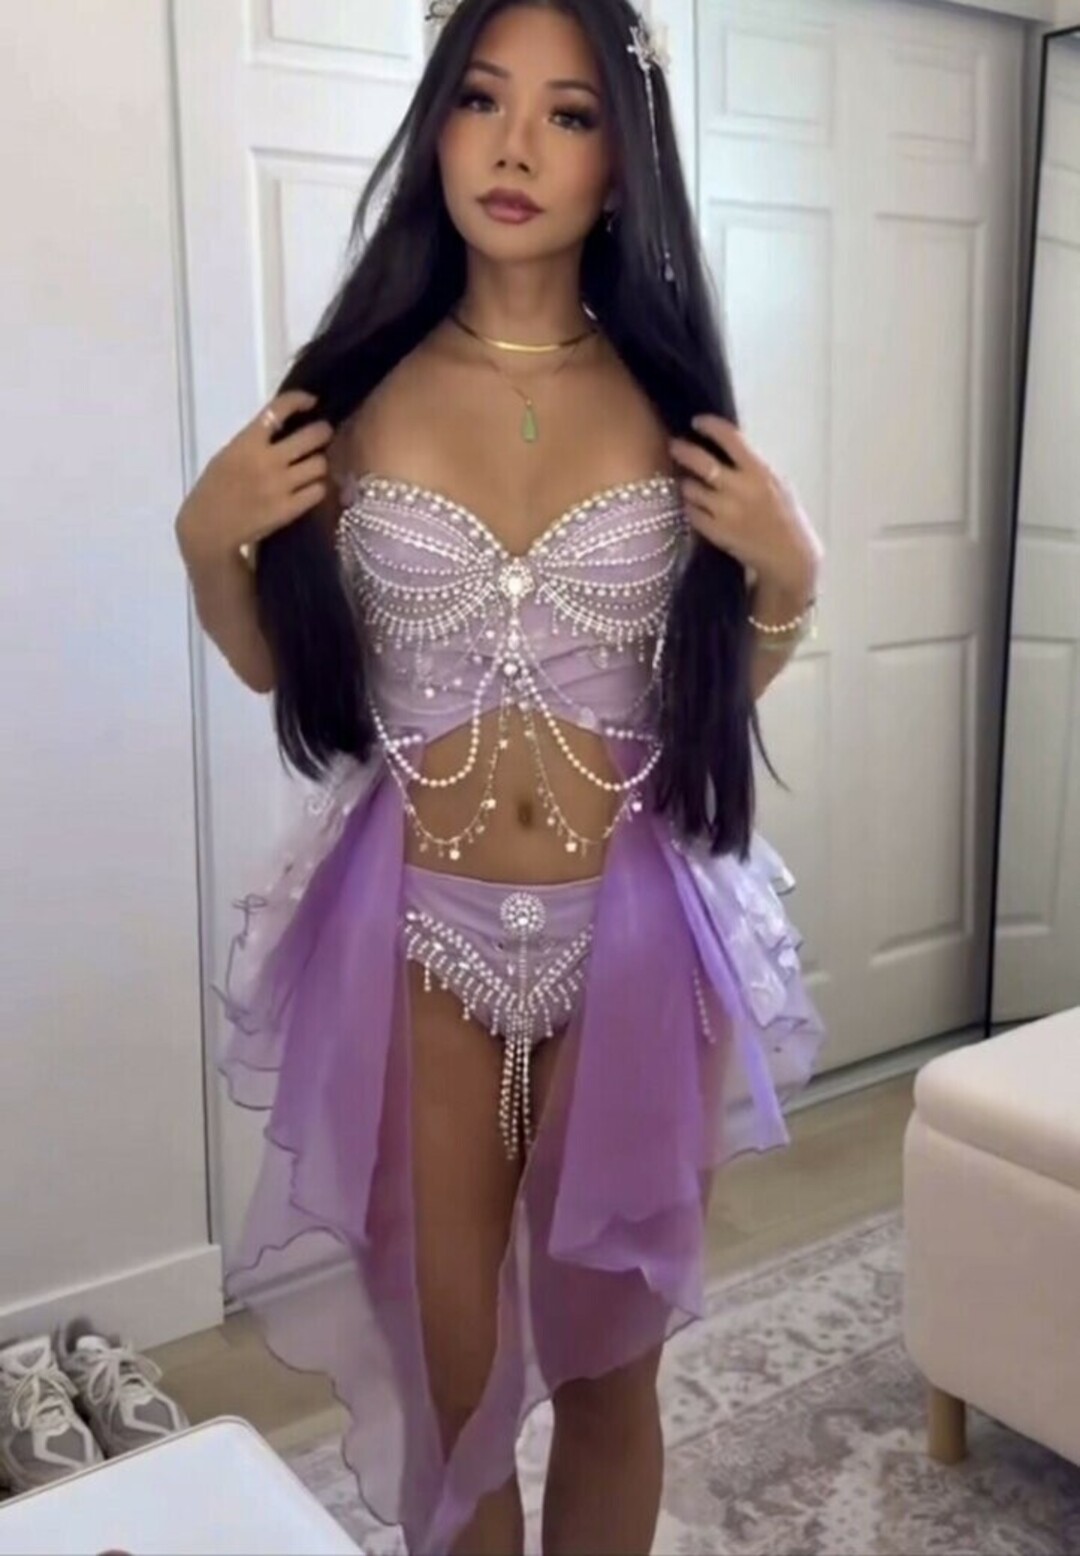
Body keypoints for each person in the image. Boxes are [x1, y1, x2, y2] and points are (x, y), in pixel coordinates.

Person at [174, 1, 826, 1551]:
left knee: (611, 1381)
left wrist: (793, 578)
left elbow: (706, 695)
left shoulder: (674, 402)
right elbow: (279, 668)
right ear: (438, 129)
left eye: (569, 113)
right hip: (412, 935)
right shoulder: (353, 389)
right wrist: (207, 546)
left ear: (623, 160)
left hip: (635, 937)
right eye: (482, 100)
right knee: (455, 1392)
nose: (517, 146)